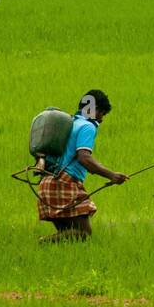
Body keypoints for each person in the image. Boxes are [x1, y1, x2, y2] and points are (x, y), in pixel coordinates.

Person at [38, 90, 129, 241]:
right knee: (83, 234)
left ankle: (46, 248)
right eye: (102, 113)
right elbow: (84, 158)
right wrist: (111, 175)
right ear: (94, 109)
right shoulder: (87, 126)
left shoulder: (70, 123)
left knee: (69, 239)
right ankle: (43, 242)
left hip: (48, 182)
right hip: (64, 183)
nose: (101, 119)